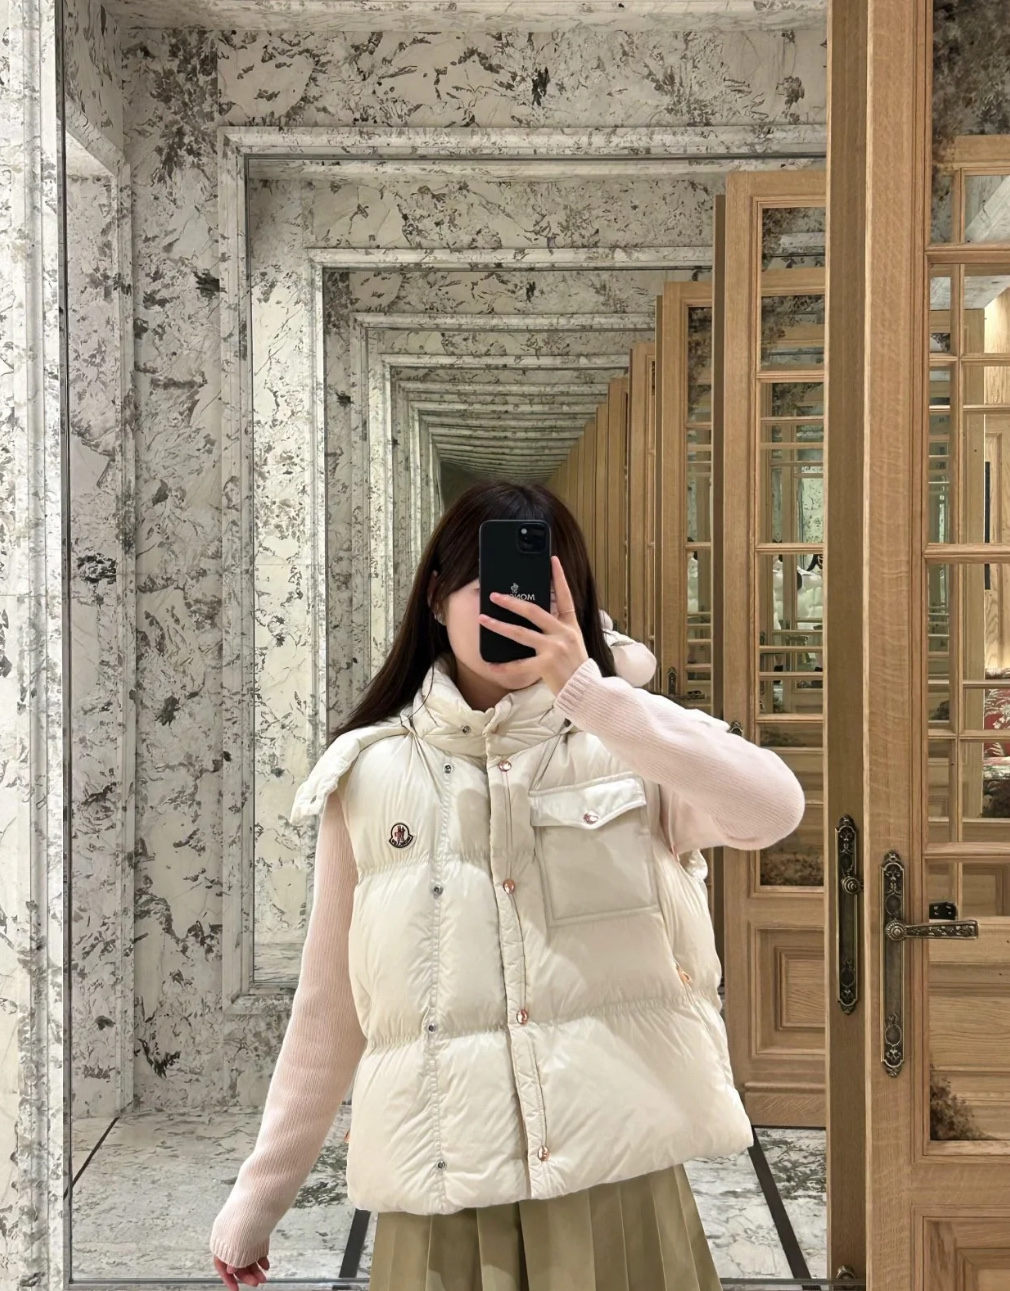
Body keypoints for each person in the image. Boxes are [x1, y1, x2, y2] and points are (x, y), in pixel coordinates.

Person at [209, 481, 806, 1291]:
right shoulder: (370, 775)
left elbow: (772, 806)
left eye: (538, 592)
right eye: (487, 587)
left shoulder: (630, 743)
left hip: (612, 1178)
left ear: (575, 606)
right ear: (435, 597)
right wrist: (258, 1198)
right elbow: (330, 1006)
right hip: (442, 1190)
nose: (511, 610)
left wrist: (593, 694)